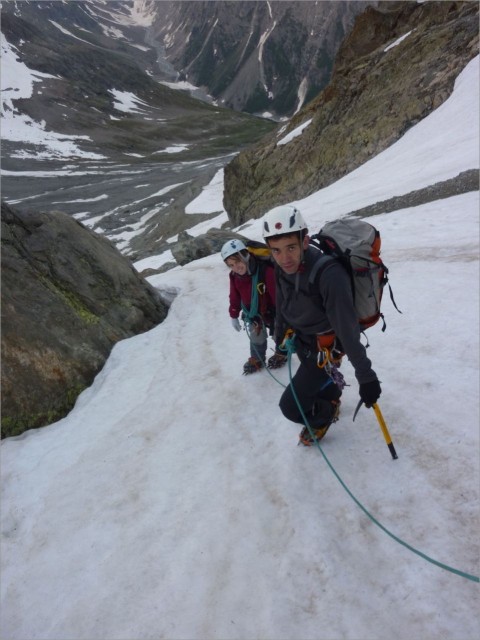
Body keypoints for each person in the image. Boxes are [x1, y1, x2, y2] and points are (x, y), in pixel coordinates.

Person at [262, 205, 382, 445]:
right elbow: (284, 300)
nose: (284, 258)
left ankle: (324, 416)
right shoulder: (280, 265)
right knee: (313, 380)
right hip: (303, 341)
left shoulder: (329, 274)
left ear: (305, 241)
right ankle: (332, 395)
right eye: (276, 250)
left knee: (290, 407)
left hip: (325, 349)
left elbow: (347, 330)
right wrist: (279, 338)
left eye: (291, 248)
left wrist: (366, 376)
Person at [221, 238, 287, 374]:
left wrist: (283, 316)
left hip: (273, 310)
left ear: (245, 255)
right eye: (231, 265)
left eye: (237, 261)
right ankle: (257, 358)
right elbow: (234, 296)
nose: (235, 268)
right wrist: (233, 314)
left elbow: (277, 296)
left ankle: (282, 353)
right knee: (256, 335)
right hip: (253, 312)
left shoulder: (265, 271)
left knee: (279, 333)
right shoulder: (234, 276)